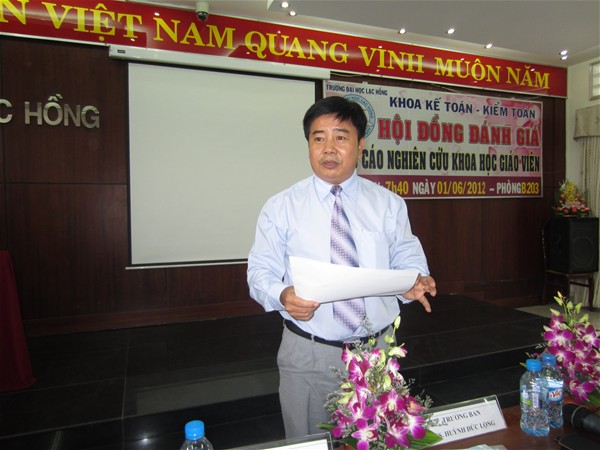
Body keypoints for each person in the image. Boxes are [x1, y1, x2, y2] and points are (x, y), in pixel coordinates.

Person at [247, 96, 436, 439]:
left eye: (340, 137)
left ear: (360, 145)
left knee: (377, 440)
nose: (328, 149)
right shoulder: (281, 207)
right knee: (308, 442)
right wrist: (282, 294)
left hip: (377, 352)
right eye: (318, 138)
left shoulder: (388, 204)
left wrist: (413, 279)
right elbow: (259, 270)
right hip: (309, 353)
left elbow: (406, 253)